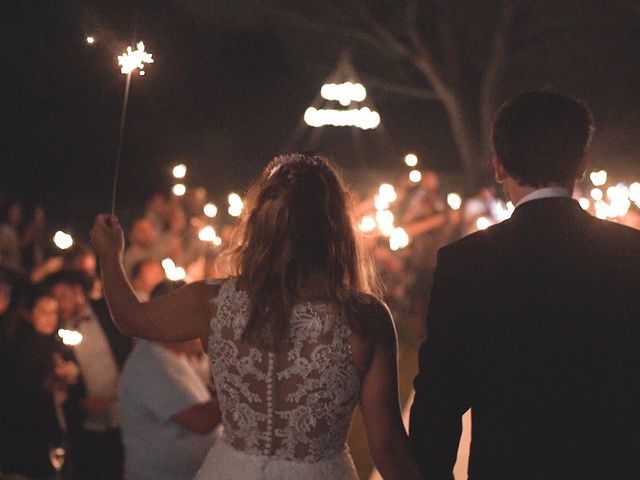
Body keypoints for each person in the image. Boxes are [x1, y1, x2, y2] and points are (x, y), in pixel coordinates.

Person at [91, 153, 422, 480]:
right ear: (336, 229)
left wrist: (110, 255)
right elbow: (388, 446)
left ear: (260, 223)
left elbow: (131, 318)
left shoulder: (212, 301)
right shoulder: (365, 318)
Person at [409, 90, 640, 479]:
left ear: (499, 167)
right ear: (581, 165)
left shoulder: (466, 261)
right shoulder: (630, 254)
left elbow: (439, 401)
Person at [120, 280, 222, 480]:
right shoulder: (150, 363)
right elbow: (201, 421)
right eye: (193, 316)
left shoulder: (176, 355)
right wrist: (245, 391)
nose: (200, 324)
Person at [44, 270, 133, 480]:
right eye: (55, 299)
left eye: (63, 296)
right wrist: (79, 403)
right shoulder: (55, 335)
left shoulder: (107, 312)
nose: (60, 305)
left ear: (78, 291)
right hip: (89, 428)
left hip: (126, 415)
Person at [0, 288, 79, 479]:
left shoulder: (53, 343)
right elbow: (23, 387)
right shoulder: (20, 345)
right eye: (44, 312)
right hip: (26, 434)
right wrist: (53, 379)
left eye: (54, 312)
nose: (50, 318)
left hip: (50, 430)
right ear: (29, 314)